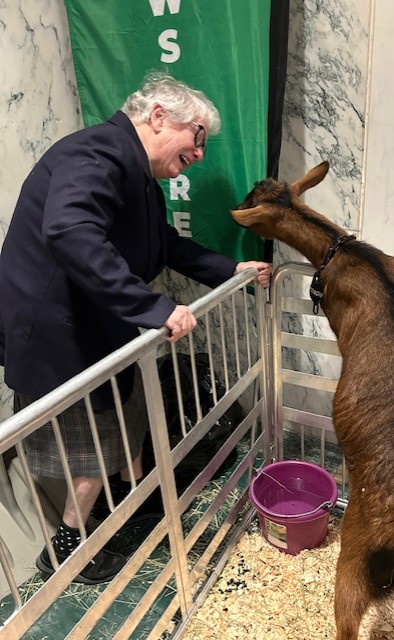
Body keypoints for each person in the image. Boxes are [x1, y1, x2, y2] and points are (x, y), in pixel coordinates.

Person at [0, 71, 272, 584]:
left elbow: (164, 244)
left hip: (101, 320)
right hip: (65, 329)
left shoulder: (137, 171)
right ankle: (66, 546)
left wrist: (228, 270)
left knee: (128, 415)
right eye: (196, 139)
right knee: (97, 436)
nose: (199, 155)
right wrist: (150, 307)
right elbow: (69, 229)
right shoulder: (98, 151)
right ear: (159, 116)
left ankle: (131, 498)